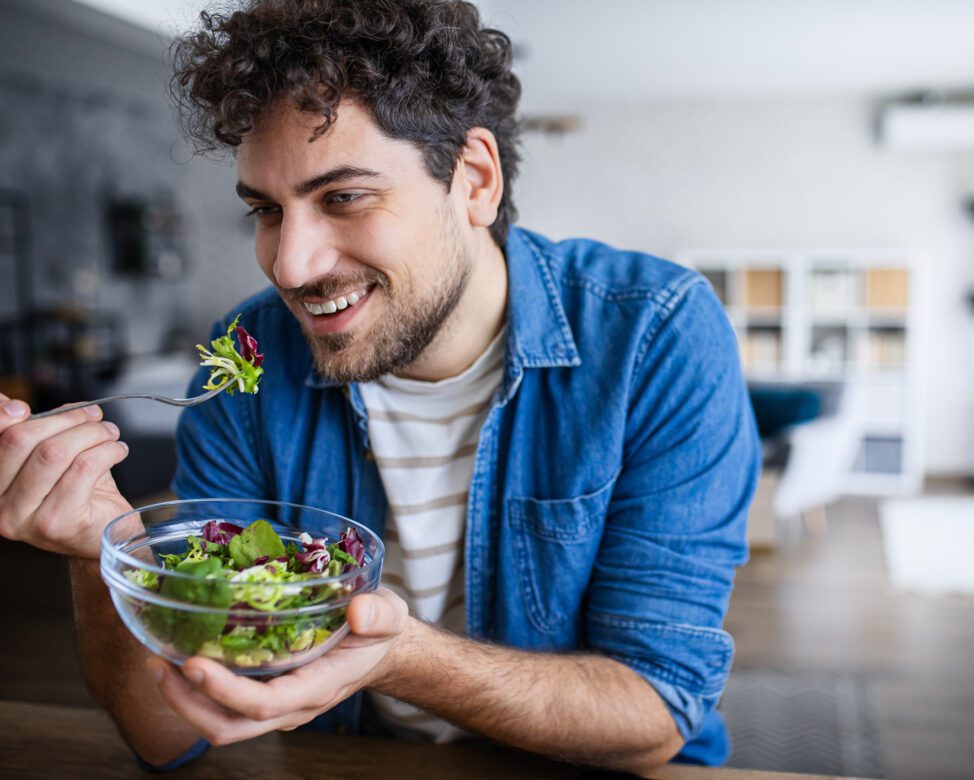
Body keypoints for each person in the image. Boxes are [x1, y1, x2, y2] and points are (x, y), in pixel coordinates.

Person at [0, 0, 758, 772]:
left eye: (343, 198)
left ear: (474, 180)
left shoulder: (654, 335)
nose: (290, 266)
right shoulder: (247, 358)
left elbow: (653, 711)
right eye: (266, 210)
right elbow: (167, 735)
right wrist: (108, 548)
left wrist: (395, 656)